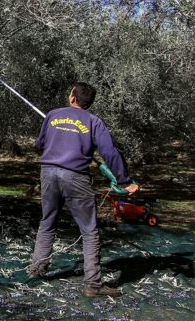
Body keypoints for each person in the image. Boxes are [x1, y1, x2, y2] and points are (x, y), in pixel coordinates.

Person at [28, 82, 139, 297]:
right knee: (89, 231)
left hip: (48, 173)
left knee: (47, 222)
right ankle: (93, 285)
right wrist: (124, 180)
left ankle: (36, 271)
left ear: (72, 97)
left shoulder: (52, 115)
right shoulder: (94, 122)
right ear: (89, 102)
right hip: (75, 177)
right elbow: (109, 152)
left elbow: (38, 144)